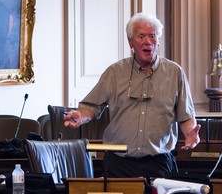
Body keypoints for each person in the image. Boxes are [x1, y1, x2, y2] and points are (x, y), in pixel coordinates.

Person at [63, 12, 201, 179]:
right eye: (141, 36)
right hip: (118, 163)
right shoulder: (115, 72)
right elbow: (90, 107)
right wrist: (80, 116)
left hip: (158, 163)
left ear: (158, 41)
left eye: (152, 36)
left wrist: (191, 134)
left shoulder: (175, 73)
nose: (148, 41)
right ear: (130, 42)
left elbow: (185, 117)